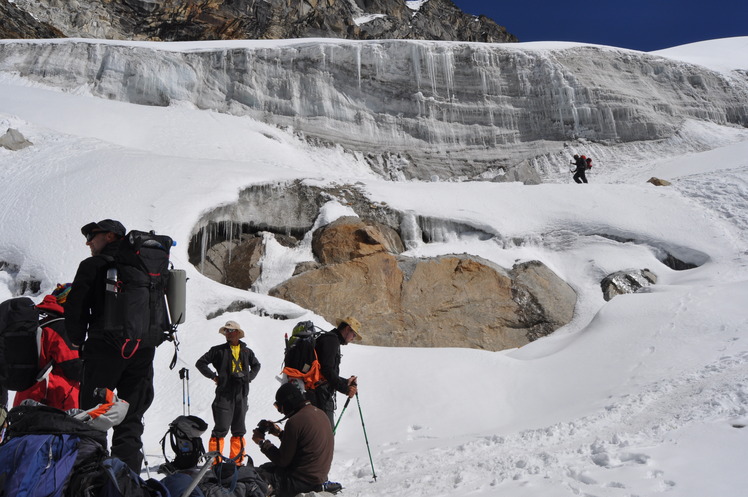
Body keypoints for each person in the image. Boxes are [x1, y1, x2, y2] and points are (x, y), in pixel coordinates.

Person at [65, 218, 155, 472]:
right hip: (143, 349)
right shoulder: (147, 266)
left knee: (94, 415)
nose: (88, 242)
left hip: (104, 348)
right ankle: (127, 481)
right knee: (131, 419)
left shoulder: (93, 265)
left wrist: (76, 341)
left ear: (111, 236)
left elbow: (76, 306)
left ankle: (90, 478)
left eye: (93, 236)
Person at [196, 320, 261, 465]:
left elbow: (257, 365)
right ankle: (216, 463)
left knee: (239, 430)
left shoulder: (246, 351)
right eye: (226, 331)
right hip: (224, 394)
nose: (228, 334)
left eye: (230, 331)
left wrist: (249, 377)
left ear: (238, 333)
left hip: (242, 394)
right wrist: (213, 376)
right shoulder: (217, 350)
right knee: (221, 429)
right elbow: (200, 363)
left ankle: (237, 462)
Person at [252, 383, 334, 497]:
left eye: (280, 407)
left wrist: (261, 442)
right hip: (318, 478)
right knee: (267, 467)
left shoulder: (295, 422)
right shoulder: (320, 413)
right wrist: (281, 434)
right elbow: (303, 445)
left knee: (255, 475)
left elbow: (282, 460)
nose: (281, 411)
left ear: (288, 402)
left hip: (299, 482)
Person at [13, 283, 82, 410]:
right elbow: (74, 367)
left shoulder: (38, 324)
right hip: (53, 399)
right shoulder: (61, 328)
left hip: (26, 396)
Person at [310, 317, 362, 428]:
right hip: (320, 396)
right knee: (326, 435)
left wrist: (345, 382)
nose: (353, 338)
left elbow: (326, 371)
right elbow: (327, 370)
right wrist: (345, 389)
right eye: (354, 334)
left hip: (316, 394)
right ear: (348, 329)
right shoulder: (331, 341)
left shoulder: (330, 340)